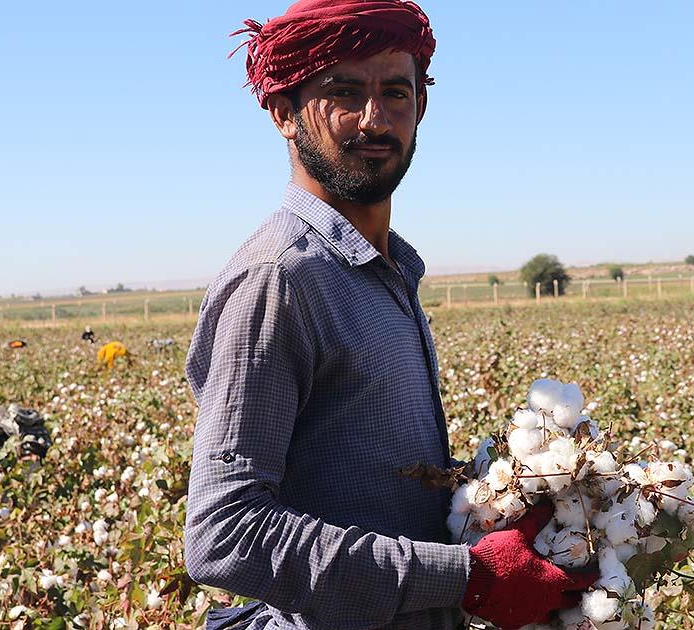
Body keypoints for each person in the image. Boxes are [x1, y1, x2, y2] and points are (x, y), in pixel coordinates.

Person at [183, 3, 595, 629]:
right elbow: (225, 534)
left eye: (395, 92)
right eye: (343, 92)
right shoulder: (282, 281)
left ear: (420, 108)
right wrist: (469, 575)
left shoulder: (389, 272)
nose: (375, 118)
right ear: (282, 113)